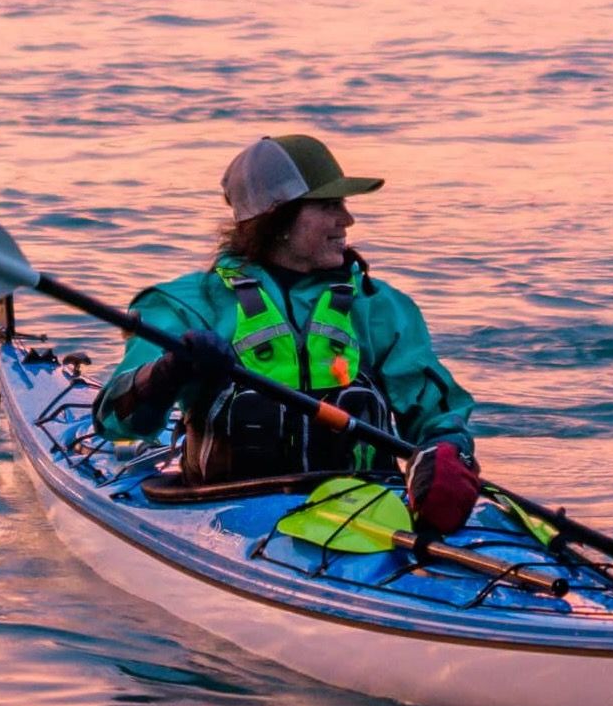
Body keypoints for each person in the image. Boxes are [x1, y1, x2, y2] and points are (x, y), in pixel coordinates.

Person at [99, 128, 483, 534]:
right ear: (278, 217)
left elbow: (438, 415)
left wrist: (447, 452)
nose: (347, 219)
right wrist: (169, 370)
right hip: (226, 513)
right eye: (329, 205)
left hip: (363, 513)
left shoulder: (379, 307)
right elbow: (114, 420)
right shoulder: (188, 305)